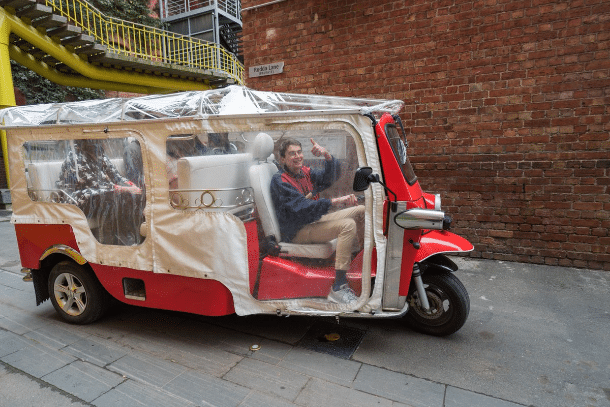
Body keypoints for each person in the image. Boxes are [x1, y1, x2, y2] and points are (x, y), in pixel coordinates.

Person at [270, 138, 365, 304]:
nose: (297, 156)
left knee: (361, 211)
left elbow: (330, 177)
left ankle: (360, 260)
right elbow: (304, 208)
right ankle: (339, 286)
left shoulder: (304, 173)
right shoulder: (280, 181)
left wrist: (327, 155)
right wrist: (337, 201)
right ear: (282, 159)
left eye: (299, 152)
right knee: (347, 225)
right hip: (297, 231)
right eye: (292, 153)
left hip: (313, 222)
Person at [56, 139, 143, 245]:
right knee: (110, 198)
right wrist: (125, 189)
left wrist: (131, 184)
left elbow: (115, 176)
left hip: (100, 194)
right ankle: (111, 239)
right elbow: (95, 184)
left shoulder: (100, 155)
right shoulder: (75, 158)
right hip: (77, 199)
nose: (102, 144)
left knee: (136, 195)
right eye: (98, 141)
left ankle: (133, 235)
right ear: (87, 142)